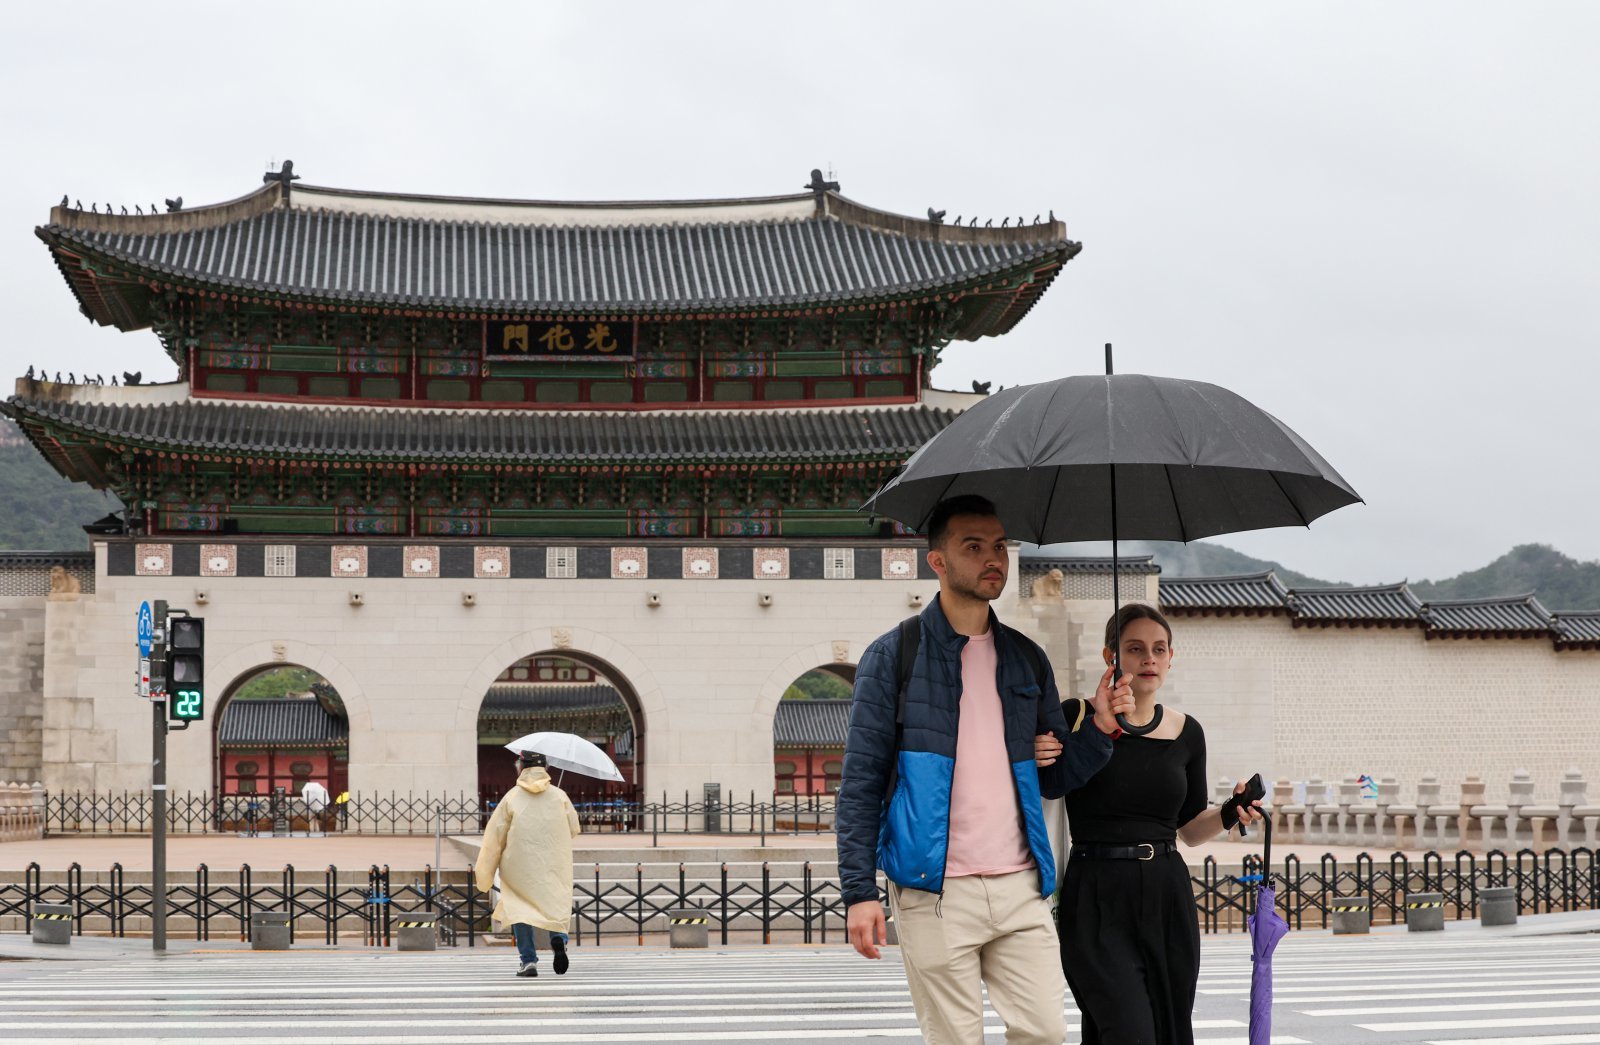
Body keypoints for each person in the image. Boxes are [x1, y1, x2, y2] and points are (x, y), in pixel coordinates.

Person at [836, 494, 1134, 1044]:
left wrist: (1098, 725)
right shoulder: (893, 656)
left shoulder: (1026, 657)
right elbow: (861, 784)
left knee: (1045, 1033)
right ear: (939, 562)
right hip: (935, 890)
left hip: (1021, 886)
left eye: (998, 546)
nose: (992, 558)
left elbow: (1051, 780)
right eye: (973, 547)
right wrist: (859, 891)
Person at [1035, 603, 1263, 1044]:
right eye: (1135, 648)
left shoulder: (1187, 732)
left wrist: (1230, 810)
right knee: (1128, 1031)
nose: (1149, 659)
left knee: (1169, 1030)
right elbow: (1049, 784)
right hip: (1095, 894)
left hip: (1167, 893)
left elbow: (1189, 829)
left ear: (1171, 658)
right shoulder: (1075, 716)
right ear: (1110, 657)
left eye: (1159, 649)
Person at [474, 750, 581, 978]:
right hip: (553, 862)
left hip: (519, 865)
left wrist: (484, 874)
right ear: (545, 769)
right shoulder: (560, 796)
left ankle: (528, 961)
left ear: (522, 767)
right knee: (554, 904)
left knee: (520, 909)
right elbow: (574, 828)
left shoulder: (511, 798)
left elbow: (494, 838)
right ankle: (558, 941)